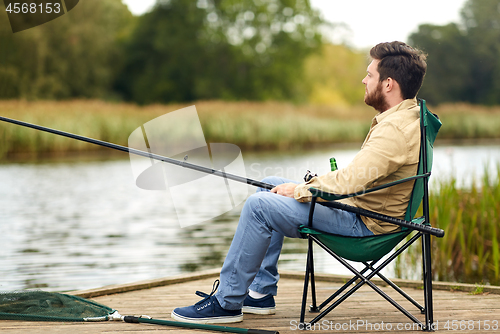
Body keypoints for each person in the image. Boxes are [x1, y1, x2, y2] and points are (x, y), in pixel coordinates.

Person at [171, 41, 428, 324]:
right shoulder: (408, 117)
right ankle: (260, 293)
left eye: (370, 74)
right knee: (267, 184)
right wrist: (308, 187)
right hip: (363, 211)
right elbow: (359, 176)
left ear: (389, 84)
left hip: (365, 226)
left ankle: (226, 303)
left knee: (259, 206)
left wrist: (301, 190)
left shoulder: (394, 130)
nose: (363, 80)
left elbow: (352, 179)